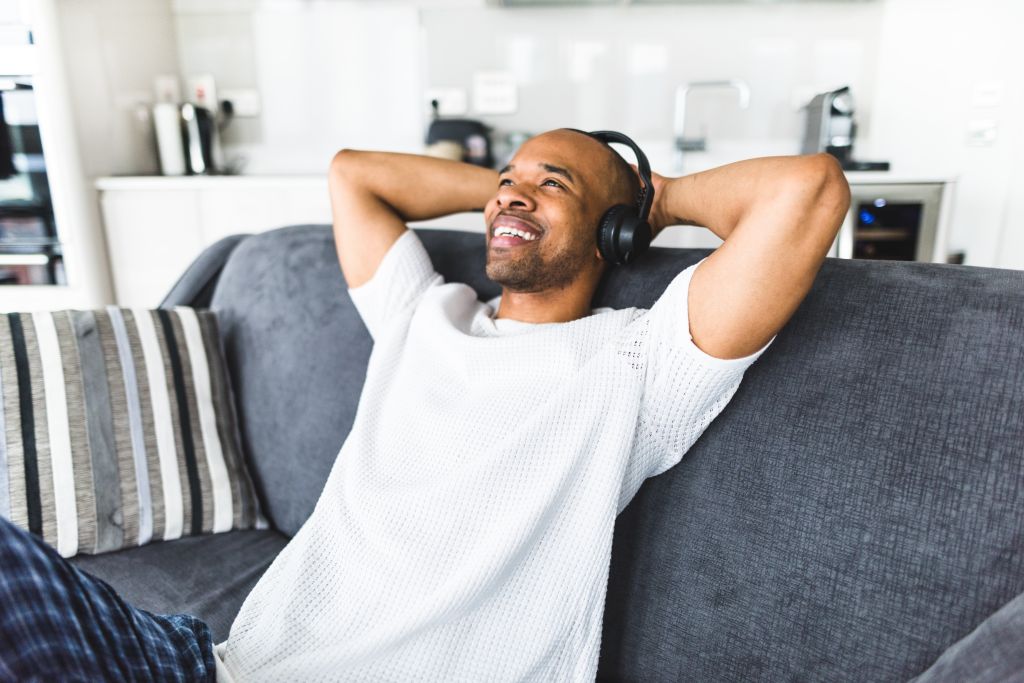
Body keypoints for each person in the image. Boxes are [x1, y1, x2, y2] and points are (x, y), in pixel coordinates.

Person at [0, 128, 849, 681]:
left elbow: (808, 192)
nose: (511, 197)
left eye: (550, 187)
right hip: (215, 665)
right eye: (507, 183)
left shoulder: (639, 361)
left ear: (613, 233)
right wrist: (520, 183)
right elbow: (352, 176)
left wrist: (649, 199)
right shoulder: (426, 311)